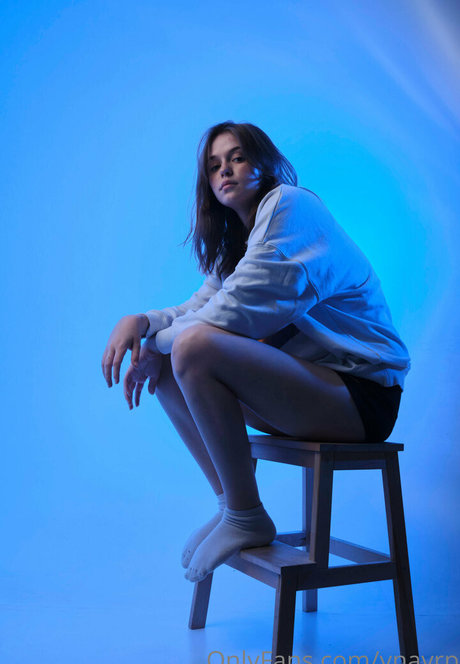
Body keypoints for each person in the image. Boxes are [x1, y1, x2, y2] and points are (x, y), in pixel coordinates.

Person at [101, 121, 410, 584]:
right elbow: (199, 307)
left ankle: (246, 515)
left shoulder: (291, 207)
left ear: (262, 165)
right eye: (214, 166)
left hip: (362, 396)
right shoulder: (239, 243)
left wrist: (154, 345)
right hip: (310, 391)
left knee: (191, 346)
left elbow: (236, 311)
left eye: (237, 157)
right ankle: (232, 504)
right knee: (170, 358)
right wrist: (142, 323)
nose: (224, 171)